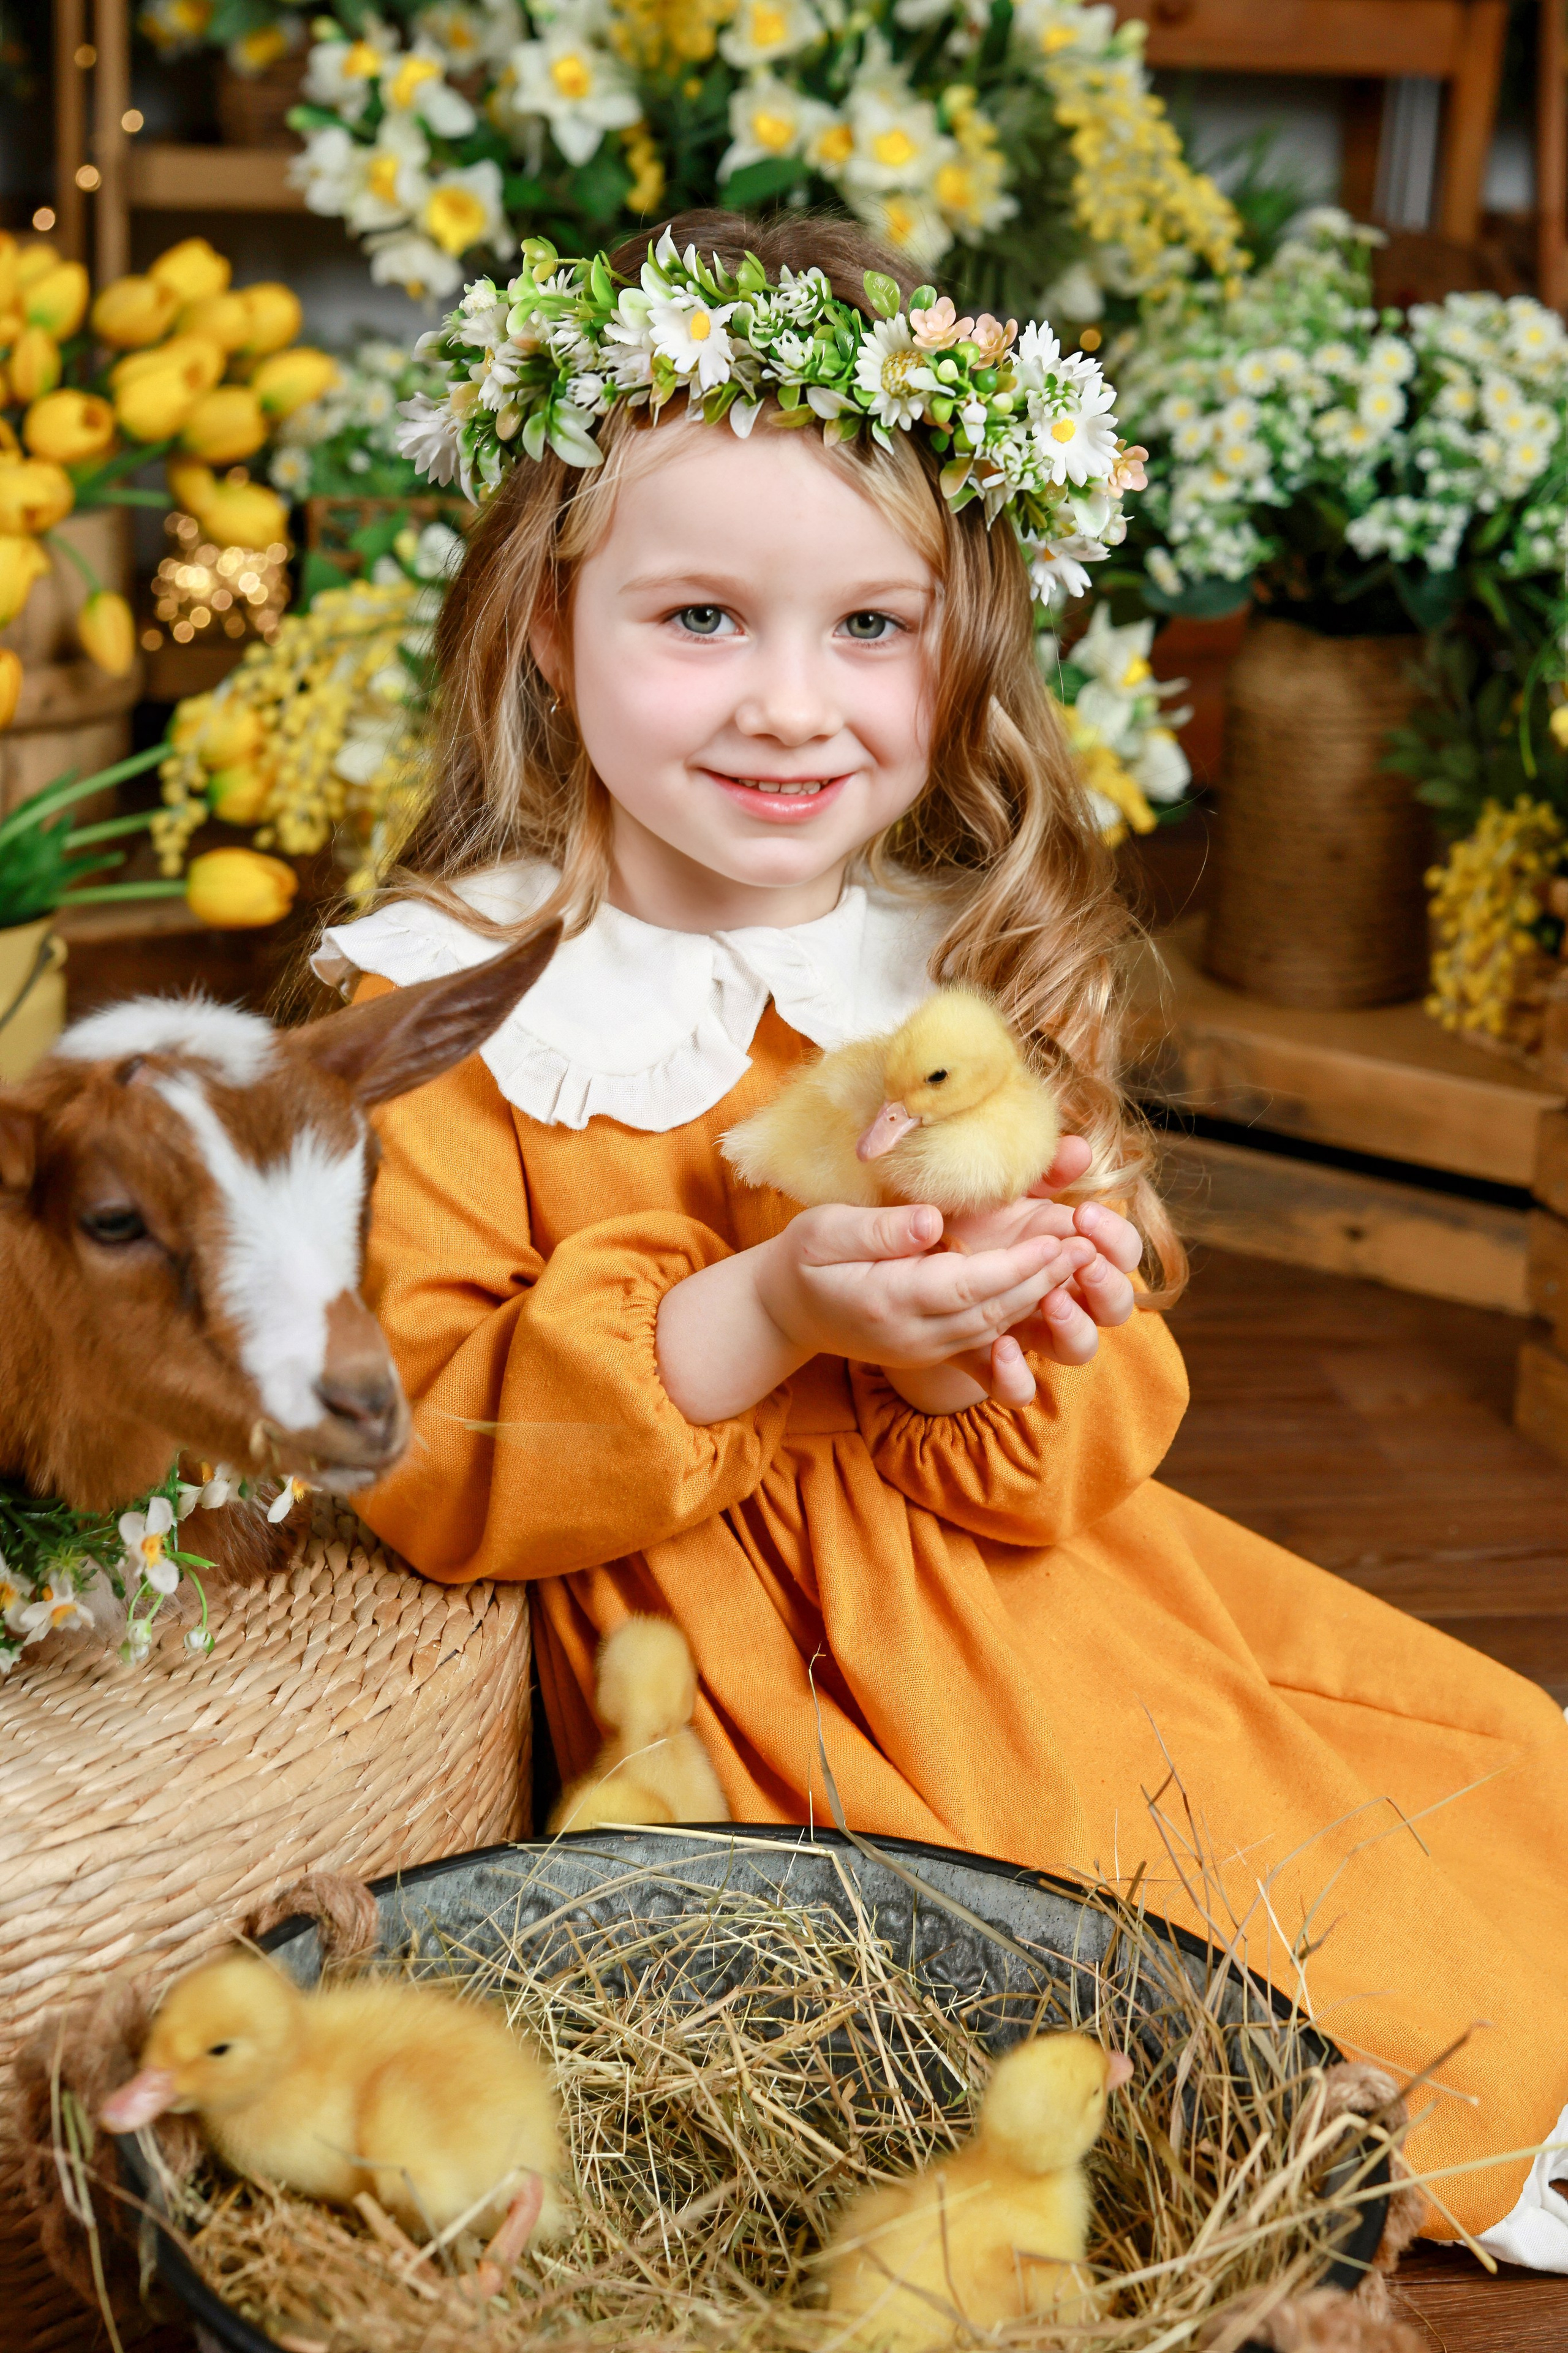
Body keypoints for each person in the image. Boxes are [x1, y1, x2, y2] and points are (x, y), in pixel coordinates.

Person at [315, 210, 1568, 2262]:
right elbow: (436, 1450)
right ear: (548, 625)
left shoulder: (950, 967)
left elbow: (1088, 1457)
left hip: (1040, 1594)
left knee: (1421, 1794)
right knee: (1069, 1968)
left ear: (962, 641)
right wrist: (770, 1306)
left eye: (871, 628)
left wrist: (1027, 1326)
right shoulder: (456, 1005)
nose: (790, 705)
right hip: (748, 1681)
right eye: (700, 616)